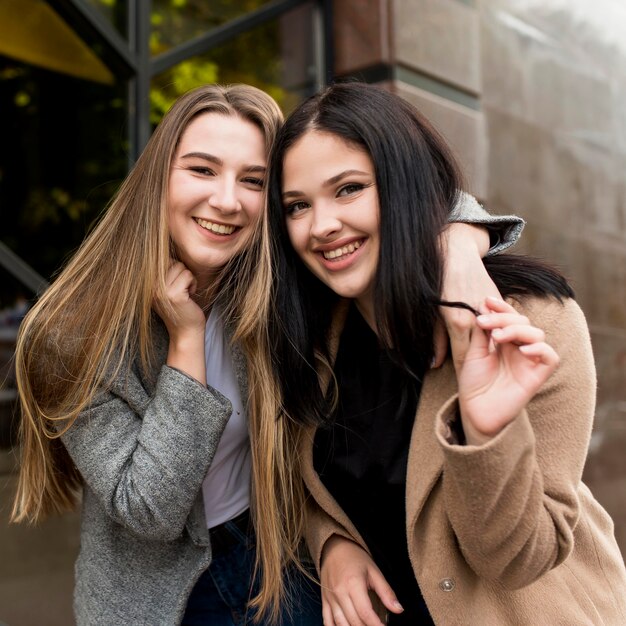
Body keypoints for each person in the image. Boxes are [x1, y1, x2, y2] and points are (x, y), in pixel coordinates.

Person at [10, 83, 521, 626]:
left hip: (279, 550)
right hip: (159, 593)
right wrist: (186, 344)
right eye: (202, 170)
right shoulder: (72, 337)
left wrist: (459, 245)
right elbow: (151, 510)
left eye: (252, 181)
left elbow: (405, 193)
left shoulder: (279, 283)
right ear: (156, 181)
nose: (227, 200)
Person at [264, 81, 626, 625]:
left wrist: (487, 433)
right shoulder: (312, 342)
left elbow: (520, 559)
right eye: (297, 206)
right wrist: (332, 543)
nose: (323, 226)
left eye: (348, 189)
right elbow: (299, 485)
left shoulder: (530, 321)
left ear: (404, 185)